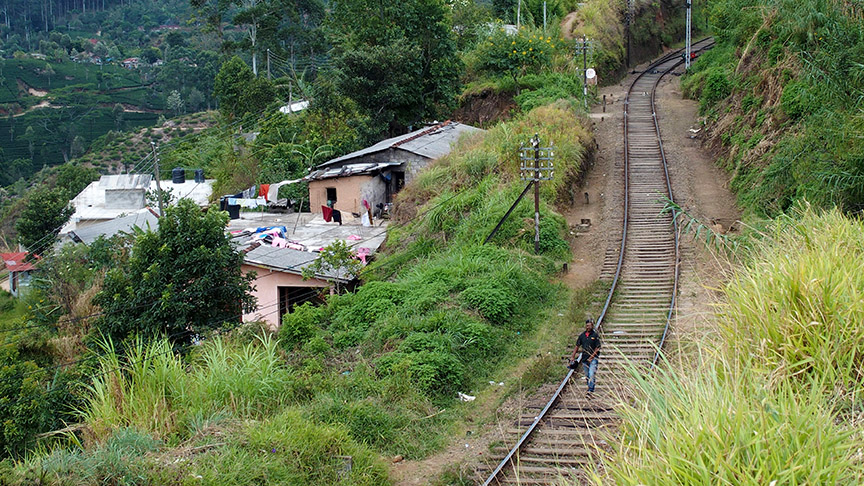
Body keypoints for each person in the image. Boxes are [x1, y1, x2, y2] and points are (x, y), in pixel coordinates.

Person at [569, 318, 601, 394]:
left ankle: (591, 390)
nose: (588, 327)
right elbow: (577, 346)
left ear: (592, 326)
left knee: (591, 373)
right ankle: (589, 387)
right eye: (587, 326)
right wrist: (573, 356)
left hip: (593, 358)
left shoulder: (595, 335)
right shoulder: (582, 336)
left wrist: (592, 357)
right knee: (587, 375)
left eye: (590, 326)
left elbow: (598, 347)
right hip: (584, 359)